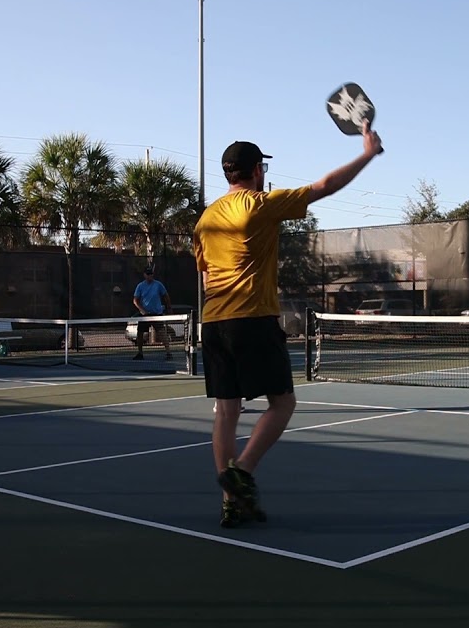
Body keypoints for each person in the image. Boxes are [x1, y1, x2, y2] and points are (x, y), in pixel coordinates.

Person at [194, 123, 384, 528]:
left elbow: (208, 277)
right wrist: (367, 153)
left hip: (214, 323)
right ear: (256, 170)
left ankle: (231, 501)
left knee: (226, 411)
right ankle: (242, 470)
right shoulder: (259, 206)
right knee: (283, 404)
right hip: (253, 319)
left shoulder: (206, 220)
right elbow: (323, 187)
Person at [132, 266, 172, 360]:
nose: (150, 276)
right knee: (140, 333)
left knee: (162, 333)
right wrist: (142, 310)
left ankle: (168, 352)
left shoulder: (158, 285)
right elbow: (135, 300)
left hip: (156, 314)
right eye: (148, 274)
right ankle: (140, 353)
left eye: (151, 274)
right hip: (145, 315)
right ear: (144, 275)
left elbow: (166, 296)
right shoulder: (140, 286)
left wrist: (169, 308)